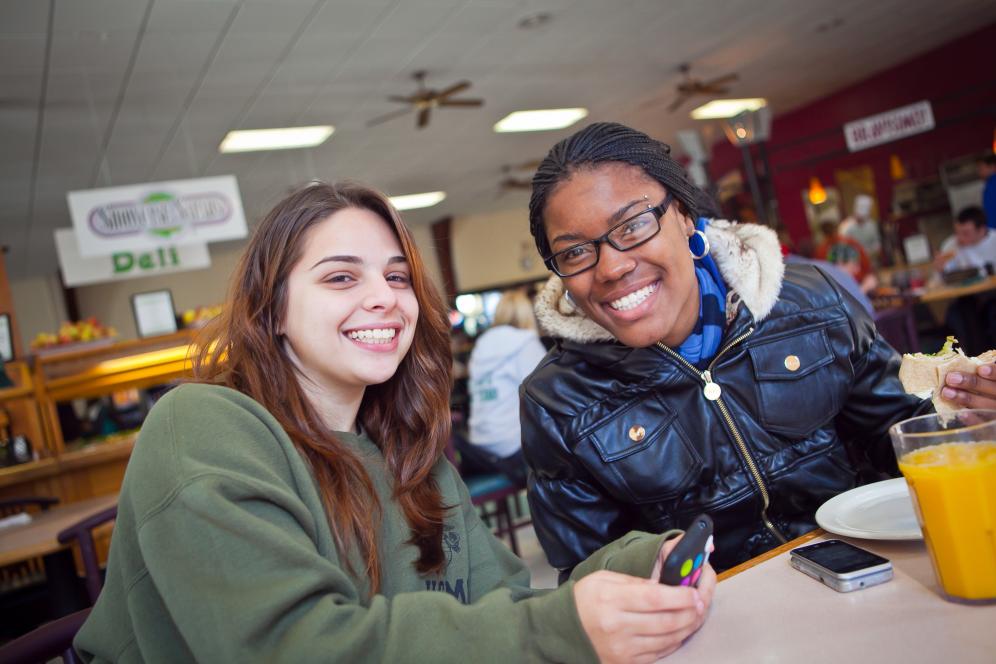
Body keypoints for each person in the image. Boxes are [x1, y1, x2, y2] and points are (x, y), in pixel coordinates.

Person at [75, 181, 715, 664]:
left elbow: (507, 604)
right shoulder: (202, 426)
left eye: (397, 276)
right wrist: (561, 631)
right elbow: (294, 649)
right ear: (271, 310)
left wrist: (635, 566)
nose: (383, 296)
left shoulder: (409, 453)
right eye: (340, 277)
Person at [520, 122, 996, 580]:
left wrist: (976, 427)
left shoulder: (813, 303)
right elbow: (587, 574)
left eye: (633, 226)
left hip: (877, 580)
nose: (611, 267)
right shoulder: (559, 400)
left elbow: (910, 443)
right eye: (576, 253)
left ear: (684, 215)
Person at [456, 289, 547, 486]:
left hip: (480, 447)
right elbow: (547, 393)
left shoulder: (481, 345)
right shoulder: (526, 343)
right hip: (511, 450)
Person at [814, 220, 878, 294]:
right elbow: (866, 264)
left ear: (823, 234)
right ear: (837, 229)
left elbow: (822, 276)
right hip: (855, 285)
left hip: (842, 289)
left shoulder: (821, 250)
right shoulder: (850, 242)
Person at [933, 206, 996, 274]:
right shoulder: (951, 245)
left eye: (965, 233)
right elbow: (945, 274)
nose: (959, 238)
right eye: (957, 232)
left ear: (981, 230)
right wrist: (941, 269)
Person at [838, 193, 882, 265]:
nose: (861, 220)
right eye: (859, 217)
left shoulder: (871, 225)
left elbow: (876, 242)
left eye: (863, 218)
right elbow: (843, 248)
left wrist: (875, 251)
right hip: (853, 263)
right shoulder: (845, 227)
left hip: (871, 261)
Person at [978, 154, 996, 231]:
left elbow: (991, 212)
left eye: (981, 169)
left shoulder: (991, 186)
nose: (979, 173)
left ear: (992, 167)